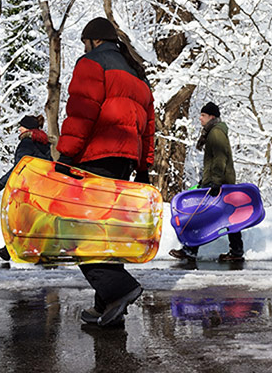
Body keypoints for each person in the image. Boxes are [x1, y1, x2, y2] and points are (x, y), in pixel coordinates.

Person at [57, 17, 155, 327]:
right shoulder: (138, 75)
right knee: (106, 233)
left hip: (95, 156)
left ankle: (120, 289)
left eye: (84, 42)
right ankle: (108, 308)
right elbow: (149, 129)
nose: (83, 47)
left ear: (93, 40)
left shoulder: (91, 63)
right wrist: (143, 169)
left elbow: (82, 111)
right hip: (124, 162)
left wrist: (66, 154)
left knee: (81, 233)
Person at [169, 102, 243, 262]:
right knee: (227, 214)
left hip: (219, 182)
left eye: (203, 115)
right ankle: (236, 251)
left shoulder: (216, 133)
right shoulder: (214, 132)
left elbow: (220, 158)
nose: (200, 118)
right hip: (218, 180)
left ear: (212, 117)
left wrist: (215, 181)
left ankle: (190, 249)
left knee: (200, 213)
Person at [0, 114, 52, 261]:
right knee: (35, 221)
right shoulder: (45, 143)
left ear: (28, 128)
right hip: (43, 187)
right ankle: (39, 252)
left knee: (19, 219)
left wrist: (2, 182)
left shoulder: (27, 143)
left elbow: (20, 166)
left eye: (21, 126)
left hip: (28, 188)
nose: (19, 129)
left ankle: (10, 251)